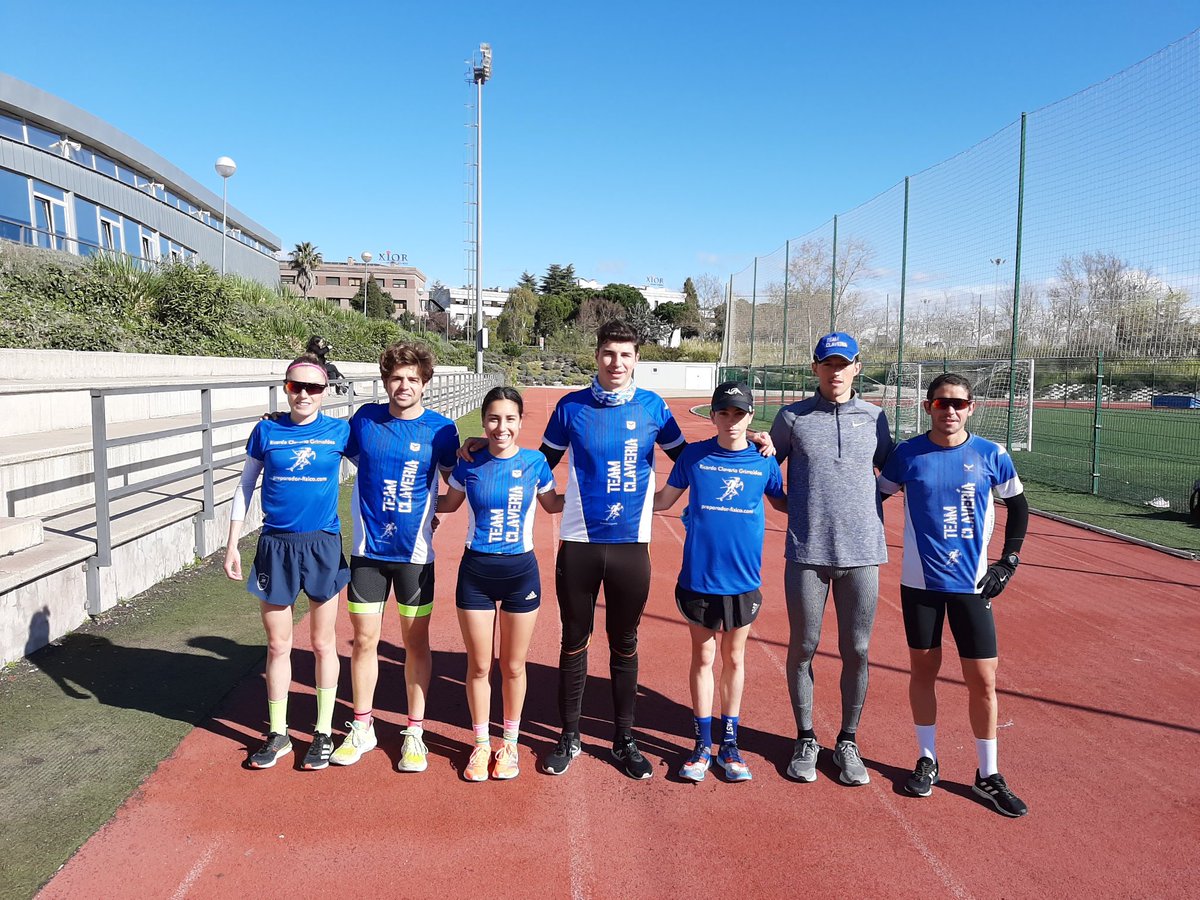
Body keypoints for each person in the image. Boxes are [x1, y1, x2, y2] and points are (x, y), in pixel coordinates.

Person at [460, 320, 773, 779]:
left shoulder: (653, 407)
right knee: (574, 642)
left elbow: (692, 457)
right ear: (597, 356)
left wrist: (751, 442)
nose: (616, 362)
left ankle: (624, 739)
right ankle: (569, 736)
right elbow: (534, 465)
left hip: (631, 546)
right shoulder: (571, 407)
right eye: (609, 353)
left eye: (625, 355)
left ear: (636, 360)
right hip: (580, 545)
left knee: (625, 644)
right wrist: (485, 447)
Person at [877, 373, 1030, 818]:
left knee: (983, 679)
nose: (950, 411)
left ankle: (988, 774)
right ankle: (927, 759)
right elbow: (875, 498)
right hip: (920, 586)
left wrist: (1008, 562)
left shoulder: (990, 454)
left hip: (972, 586)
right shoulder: (907, 454)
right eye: (942, 403)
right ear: (928, 407)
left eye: (958, 404)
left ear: (971, 408)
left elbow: (1018, 506)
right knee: (923, 672)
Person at [768, 332, 893, 786]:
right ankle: (805, 737)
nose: (835, 372)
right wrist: (788, 504)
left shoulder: (876, 419)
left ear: (857, 367)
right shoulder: (793, 418)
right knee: (803, 647)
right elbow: (765, 465)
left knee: (857, 650)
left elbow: (894, 469)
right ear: (815, 367)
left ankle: (847, 740)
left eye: (843, 364)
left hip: (863, 554)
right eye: (827, 364)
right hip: (807, 553)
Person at [329, 342, 460, 772]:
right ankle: (362, 727)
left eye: (412, 379)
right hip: (368, 552)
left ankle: (415, 732)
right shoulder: (365, 420)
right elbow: (332, 448)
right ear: (386, 381)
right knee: (364, 640)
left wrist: (429, 513)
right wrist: (286, 423)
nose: (403, 386)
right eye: (396, 378)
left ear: (424, 384)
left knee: (414, 644)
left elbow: (455, 486)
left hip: (415, 556)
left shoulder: (442, 431)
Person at [223, 353, 350, 770]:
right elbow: (245, 485)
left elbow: (375, 470)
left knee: (321, 642)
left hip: (322, 545)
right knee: (278, 643)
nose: (305, 395)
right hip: (275, 546)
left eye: (314, 387)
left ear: (325, 391)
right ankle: (277, 734)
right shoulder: (266, 430)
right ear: (286, 388)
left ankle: (324, 733)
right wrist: (230, 543)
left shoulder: (340, 431)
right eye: (297, 386)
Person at [654, 382, 786, 782]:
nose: (732, 420)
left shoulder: (764, 462)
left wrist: (781, 455)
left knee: (734, 658)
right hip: (699, 577)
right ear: (712, 416)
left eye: (739, 413)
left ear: (751, 417)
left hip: (743, 579)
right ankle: (700, 744)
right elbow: (662, 501)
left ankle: (729, 743)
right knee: (704, 658)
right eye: (724, 413)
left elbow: (783, 501)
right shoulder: (694, 456)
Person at [437, 387, 563, 781]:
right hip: (475, 573)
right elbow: (447, 504)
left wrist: (594, 484)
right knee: (478, 666)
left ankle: (509, 743)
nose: (501, 427)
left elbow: (554, 505)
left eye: (509, 419)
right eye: (493, 418)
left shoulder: (536, 463)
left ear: (521, 422)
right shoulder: (469, 463)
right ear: (483, 421)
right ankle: (480, 745)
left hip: (521, 574)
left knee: (512, 665)